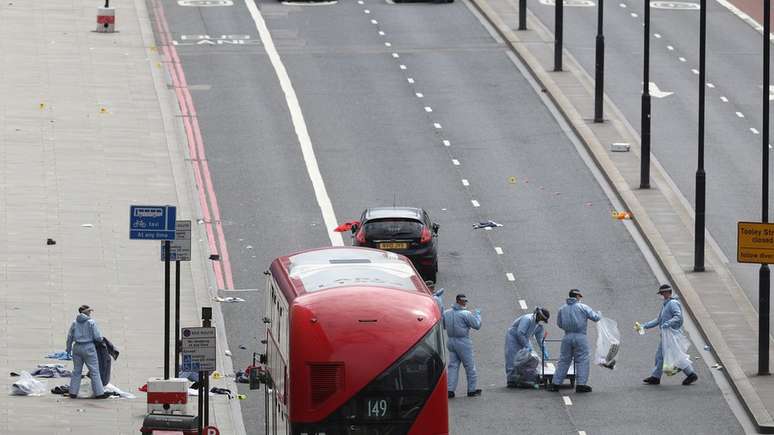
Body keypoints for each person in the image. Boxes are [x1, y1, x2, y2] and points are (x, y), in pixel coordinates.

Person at [640, 284, 698, 386]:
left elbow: (678, 316)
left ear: (667, 293)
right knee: (660, 356)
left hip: (672, 335)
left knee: (677, 356)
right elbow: (658, 320)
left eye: (662, 293)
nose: (661, 295)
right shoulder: (666, 304)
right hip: (667, 336)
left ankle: (691, 374)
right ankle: (655, 377)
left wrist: (668, 323)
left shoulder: (672, 303)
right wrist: (644, 326)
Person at [548, 289, 600, 393]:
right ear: (576, 296)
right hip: (580, 336)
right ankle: (581, 384)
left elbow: (559, 324)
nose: (580, 298)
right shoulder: (583, 307)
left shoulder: (562, 309)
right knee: (582, 360)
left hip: (567, 337)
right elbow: (596, 317)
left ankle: (555, 384)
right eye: (579, 296)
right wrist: (599, 314)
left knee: (564, 360)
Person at [443, 294, 482, 398]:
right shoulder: (466, 313)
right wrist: (478, 315)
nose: (465, 302)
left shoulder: (446, 313)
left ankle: (450, 390)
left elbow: (443, 325)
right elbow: (477, 325)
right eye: (464, 301)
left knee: (453, 366)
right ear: (459, 301)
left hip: (451, 341)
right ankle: (471, 389)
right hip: (463, 341)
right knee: (469, 366)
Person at [66, 305, 108, 399]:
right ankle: (99, 393)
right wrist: (102, 341)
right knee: (94, 371)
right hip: (89, 347)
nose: (90, 313)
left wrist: (68, 349)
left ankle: (73, 392)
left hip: (76, 347)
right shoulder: (91, 322)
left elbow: (69, 337)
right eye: (89, 311)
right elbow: (97, 337)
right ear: (86, 312)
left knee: (76, 371)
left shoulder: (74, 323)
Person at [504, 307, 550, 383]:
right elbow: (520, 333)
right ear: (539, 315)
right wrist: (527, 346)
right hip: (513, 338)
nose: (542, 321)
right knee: (512, 357)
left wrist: (544, 350)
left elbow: (540, 339)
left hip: (525, 338)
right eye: (542, 319)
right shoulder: (527, 319)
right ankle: (511, 379)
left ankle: (525, 377)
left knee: (530, 358)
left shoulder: (539, 326)